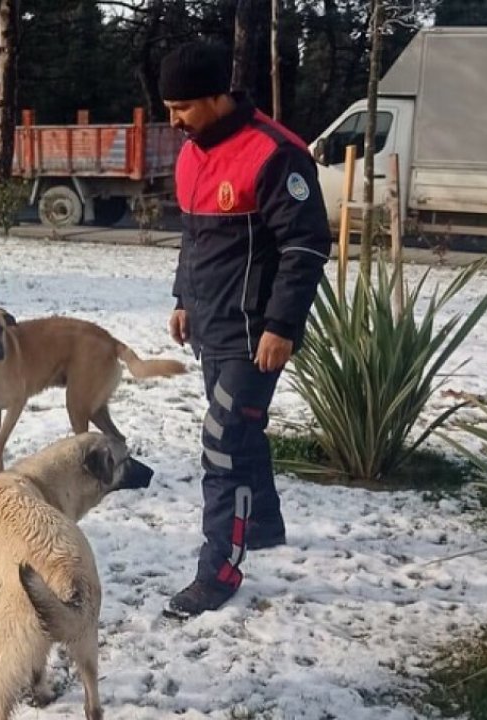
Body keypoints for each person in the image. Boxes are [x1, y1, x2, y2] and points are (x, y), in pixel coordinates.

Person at [159, 40, 332, 620]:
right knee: (241, 434)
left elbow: (305, 246)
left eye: (183, 106)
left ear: (217, 96)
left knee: (224, 443)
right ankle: (259, 529)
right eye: (168, 105)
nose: (174, 118)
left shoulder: (276, 153)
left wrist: (282, 325)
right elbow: (194, 236)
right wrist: (183, 298)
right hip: (211, 326)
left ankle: (220, 571)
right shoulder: (191, 153)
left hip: (258, 334)